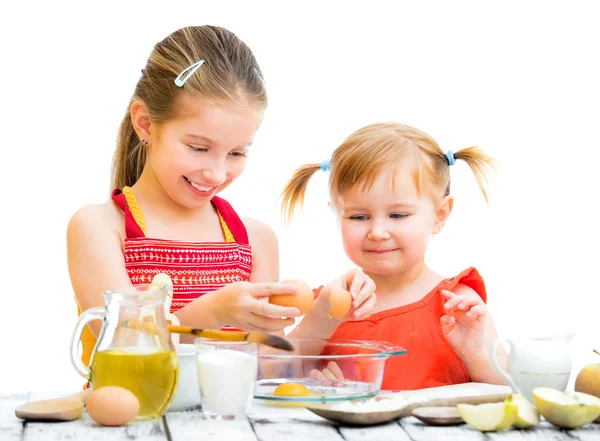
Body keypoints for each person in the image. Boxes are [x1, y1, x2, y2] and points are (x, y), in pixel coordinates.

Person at [67, 25, 376, 368]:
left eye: (237, 153)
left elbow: (265, 368)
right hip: (137, 420)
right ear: (145, 124)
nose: (216, 173)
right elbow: (122, 343)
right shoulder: (101, 227)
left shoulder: (255, 240)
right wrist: (213, 312)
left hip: (229, 423)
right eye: (198, 148)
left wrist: (327, 309)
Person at [280, 122, 508, 391]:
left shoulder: (458, 305)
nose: (377, 232)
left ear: (439, 215)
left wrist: (475, 354)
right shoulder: (329, 305)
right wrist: (319, 383)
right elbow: (271, 374)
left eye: (398, 215)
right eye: (358, 216)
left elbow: (510, 388)